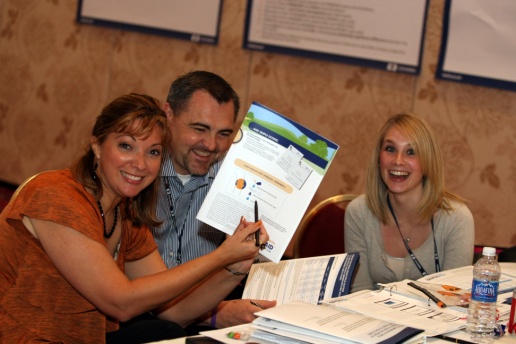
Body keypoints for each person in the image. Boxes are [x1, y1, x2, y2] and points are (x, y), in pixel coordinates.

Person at [0, 93, 268, 344]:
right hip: (18, 335)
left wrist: (236, 266)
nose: (140, 164)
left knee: (167, 331)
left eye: (153, 152)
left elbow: (174, 310)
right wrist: (221, 255)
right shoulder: (56, 194)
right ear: (97, 145)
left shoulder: (126, 213)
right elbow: (120, 302)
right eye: (126, 146)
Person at [151, 70, 276, 332]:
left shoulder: (237, 177)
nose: (210, 145)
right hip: (146, 318)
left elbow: (261, 263)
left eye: (223, 134)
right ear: (168, 114)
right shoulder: (138, 174)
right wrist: (217, 315)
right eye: (199, 129)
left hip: (213, 308)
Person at [345, 113, 474, 292]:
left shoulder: (456, 219)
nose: (398, 161)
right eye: (390, 149)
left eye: (411, 152)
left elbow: (454, 299)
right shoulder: (359, 212)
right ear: (378, 158)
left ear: (428, 161)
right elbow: (359, 292)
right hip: (371, 317)